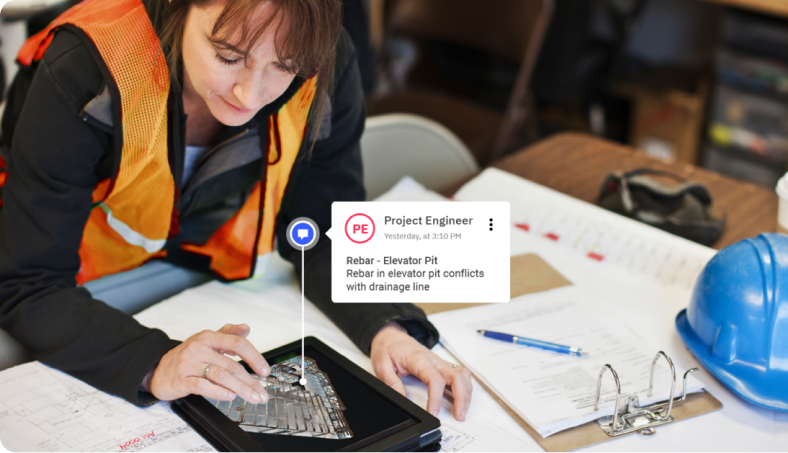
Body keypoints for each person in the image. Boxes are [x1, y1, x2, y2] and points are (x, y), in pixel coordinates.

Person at [0, 0, 472, 421]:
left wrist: (385, 328)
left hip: (197, 280)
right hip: (85, 289)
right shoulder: (86, 69)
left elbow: (322, 231)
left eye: (284, 66)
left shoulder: (324, 61)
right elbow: (27, 281)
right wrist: (153, 361)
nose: (249, 94)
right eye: (228, 56)